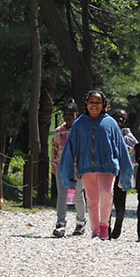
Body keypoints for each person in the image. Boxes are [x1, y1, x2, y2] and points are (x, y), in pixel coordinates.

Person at [60, 90, 134, 240]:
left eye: (98, 102)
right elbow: (69, 149)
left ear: (103, 105)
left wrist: (126, 175)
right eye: (91, 102)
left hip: (108, 166)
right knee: (92, 200)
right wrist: (67, 174)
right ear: (86, 104)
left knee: (107, 194)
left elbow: (121, 148)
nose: (94, 105)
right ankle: (95, 232)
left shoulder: (111, 123)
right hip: (87, 167)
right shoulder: (79, 123)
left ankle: (104, 226)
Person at [51, 98, 87, 237]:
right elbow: (54, 149)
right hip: (61, 166)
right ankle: (60, 224)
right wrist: (54, 167)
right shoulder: (58, 131)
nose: (67, 117)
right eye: (65, 114)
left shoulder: (81, 130)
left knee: (78, 194)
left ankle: (80, 223)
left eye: (70, 114)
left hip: (78, 166)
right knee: (62, 195)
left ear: (76, 115)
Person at [108, 108, 138, 239]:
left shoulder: (128, 137)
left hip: (122, 173)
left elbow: (136, 154)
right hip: (107, 172)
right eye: (117, 118)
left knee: (120, 202)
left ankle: (118, 226)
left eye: (123, 119)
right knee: (106, 201)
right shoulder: (105, 132)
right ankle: (105, 227)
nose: (120, 121)